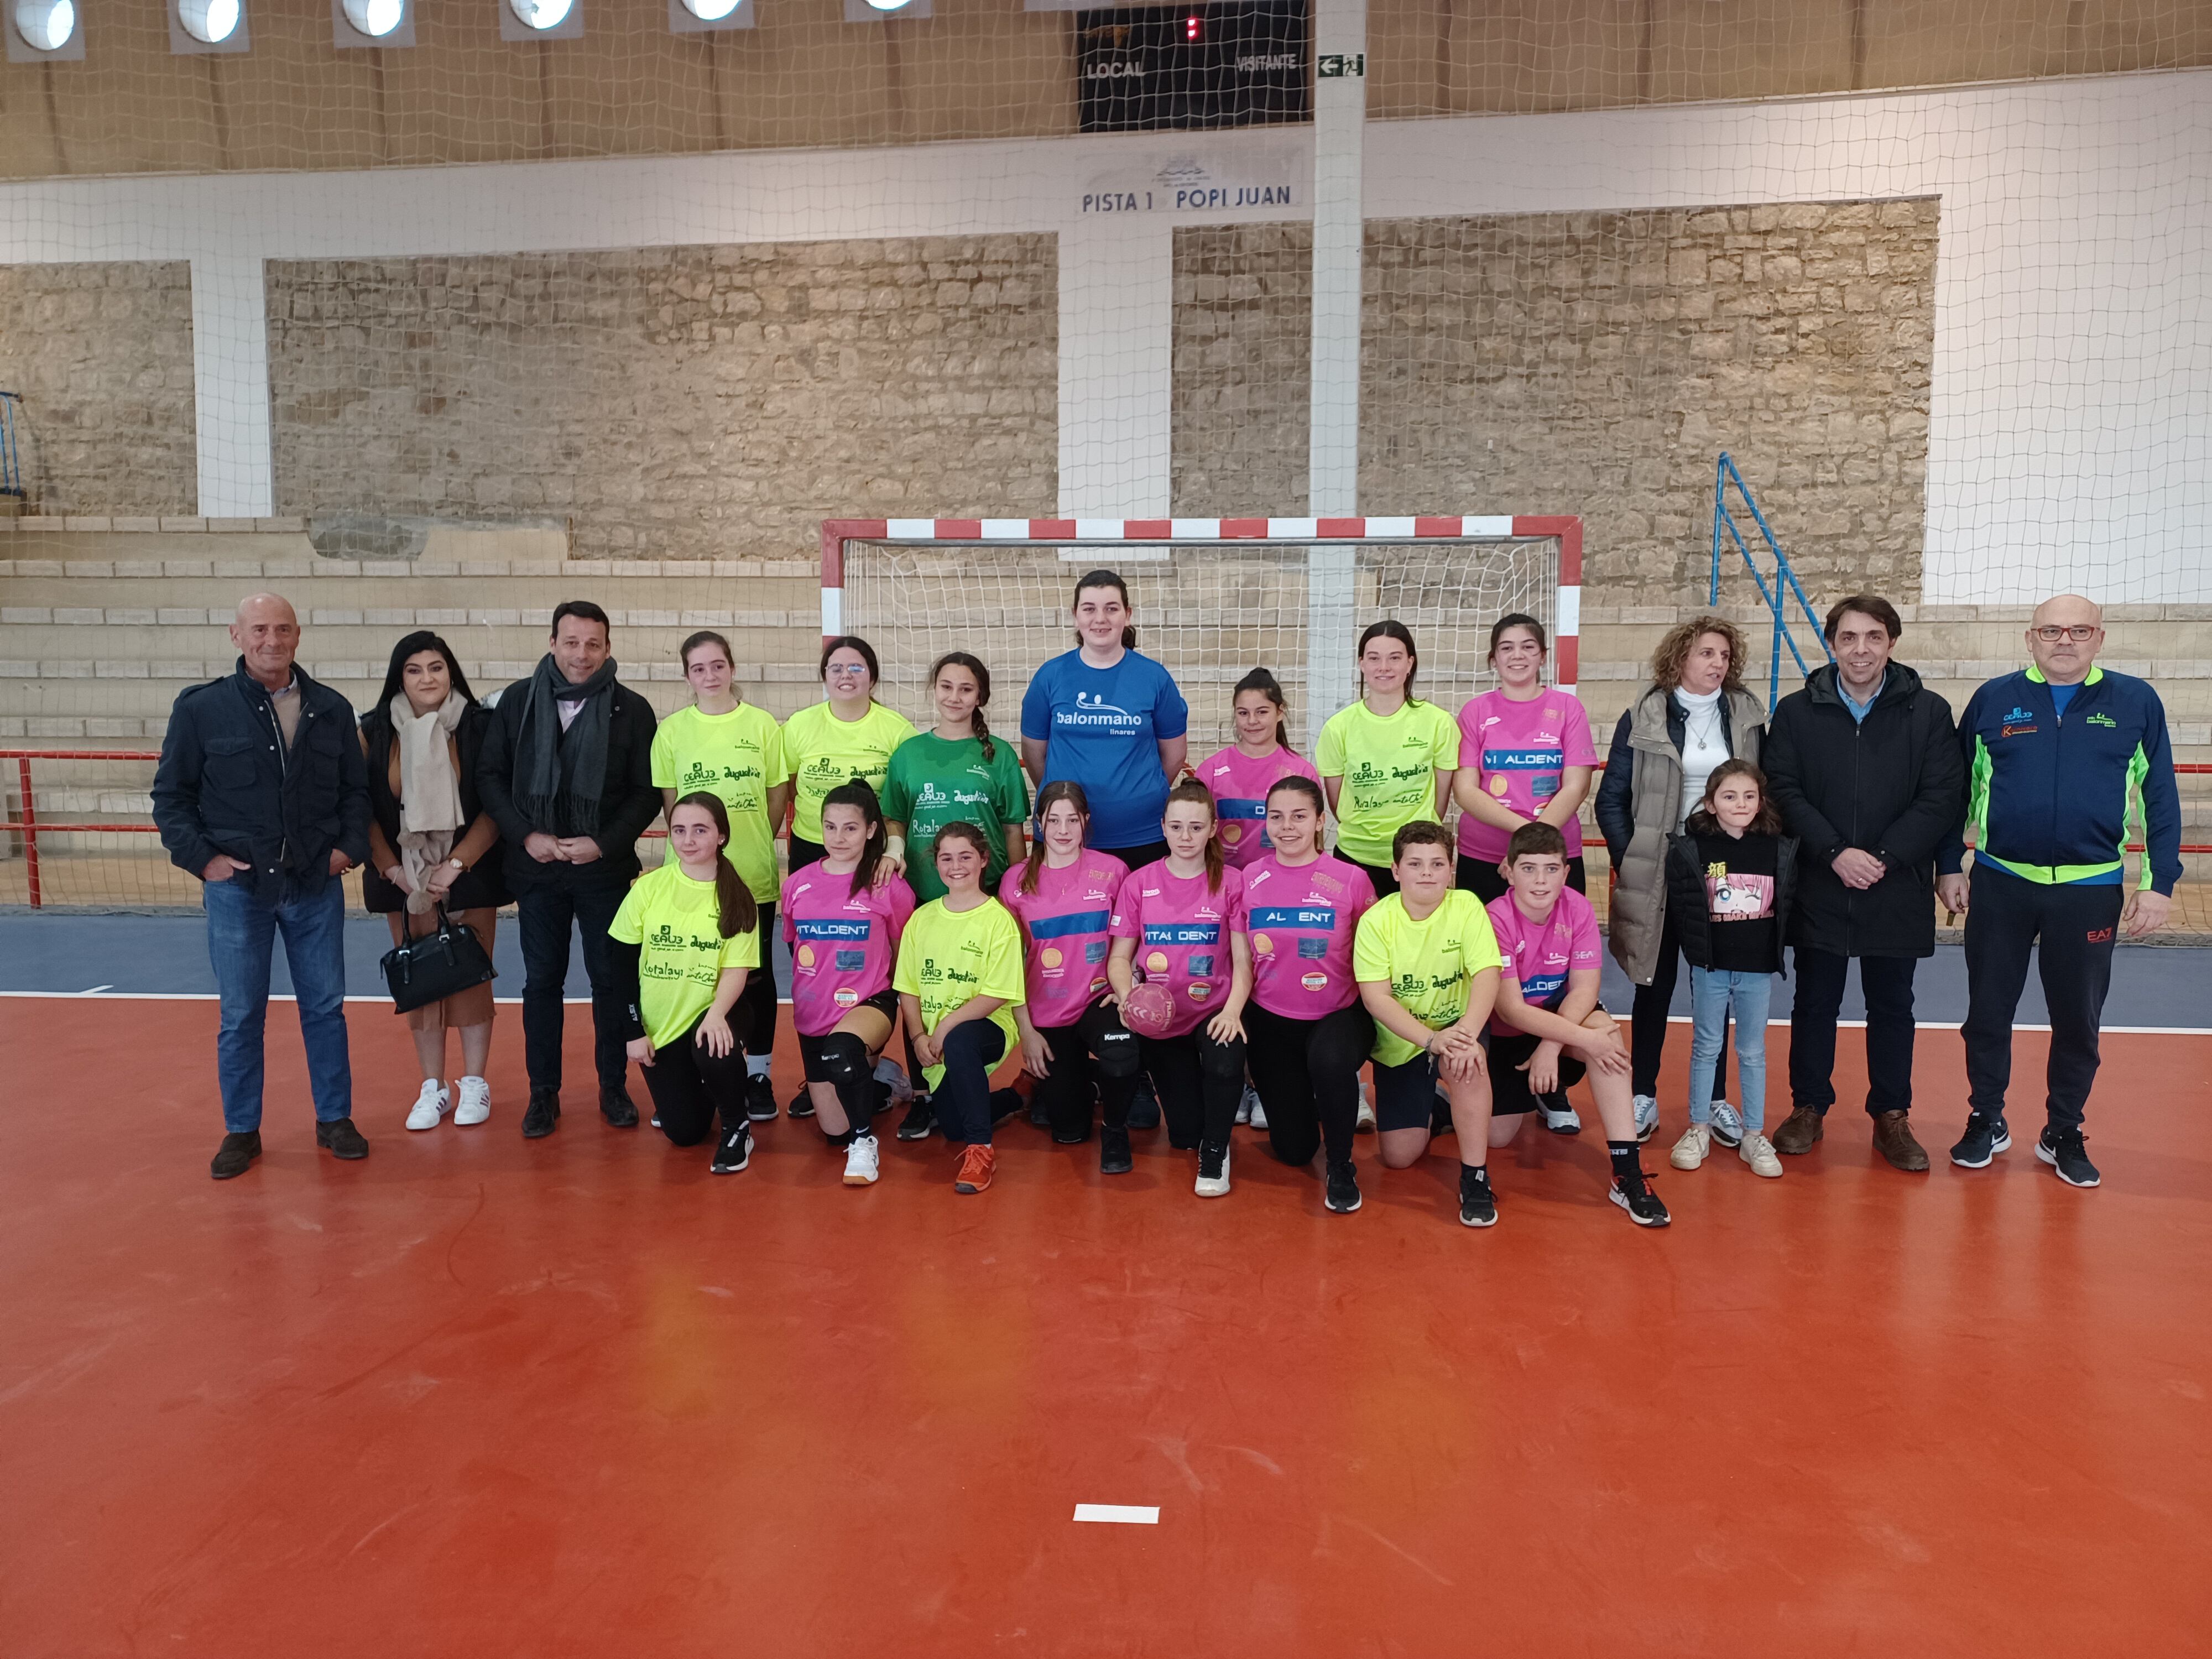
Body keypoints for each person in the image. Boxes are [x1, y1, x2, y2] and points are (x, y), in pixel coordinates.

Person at [1939, 594, 2181, 1189]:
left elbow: (2160, 798)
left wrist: (2159, 884)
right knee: (1987, 1014)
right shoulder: (1994, 699)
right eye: (2051, 630)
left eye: (2078, 630)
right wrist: (1949, 865)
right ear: (2030, 639)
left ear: (2098, 638)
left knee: (2077, 1020)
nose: (2064, 640)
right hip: (2001, 883)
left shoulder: (2134, 701)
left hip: (2089, 889)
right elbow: (1956, 790)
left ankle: (2063, 1129)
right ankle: (1985, 1118)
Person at [153, 593, 371, 1180]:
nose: (270, 640)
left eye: (281, 629)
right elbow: (171, 799)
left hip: (313, 886)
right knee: (241, 1013)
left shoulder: (331, 708)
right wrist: (206, 863)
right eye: (259, 629)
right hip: (238, 891)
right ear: (236, 635)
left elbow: (356, 793)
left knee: (325, 1008)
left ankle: (334, 1119)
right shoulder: (202, 710)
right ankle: (242, 1130)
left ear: (298, 635)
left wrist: (348, 851)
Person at [1761, 596, 1964, 1171]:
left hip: (1893, 882)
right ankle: (1808, 1107)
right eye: (1848, 638)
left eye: (1873, 637)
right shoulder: (1798, 712)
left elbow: (1942, 796)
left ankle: (1891, 1116)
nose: (1860, 650)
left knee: (1893, 1005)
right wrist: (1833, 853)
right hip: (1822, 881)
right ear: (1831, 644)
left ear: (1892, 643)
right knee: (1813, 1002)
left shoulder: (1927, 712)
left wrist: (1883, 856)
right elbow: (1783, 786)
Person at [477, 600, 663, 1140]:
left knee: (609, 982)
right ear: (553, 642)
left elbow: (645, 793)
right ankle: (543, 1095)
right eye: (572, 642)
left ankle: (612, 1087)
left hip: (601, 871)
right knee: (542, 984)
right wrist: (526, 835)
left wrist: (602, 844)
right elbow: (490, 778)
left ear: (608, 648)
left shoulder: (632, 709)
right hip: (535, 870)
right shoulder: (516, 702)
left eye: (593, 644)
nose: (582, 654)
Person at [1594, 614, 1765, 1146]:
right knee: (1654, 984)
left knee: (1719, 987)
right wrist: (1639, 856)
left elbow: (1765, 791)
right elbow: (1611, 799)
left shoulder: (1747, 714)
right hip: (1662, 869)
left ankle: (1713, 1101)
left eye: (1723, 655)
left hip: (1723, 870)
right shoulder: (1642, 715)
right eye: (1706, 654)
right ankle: (1642, 1093)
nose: (1717, 664)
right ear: (1679, 659)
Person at [1479, 822, 1671, 1227]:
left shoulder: (1578, 907)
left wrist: (1551, 1047)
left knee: (1607, 1039)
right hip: (1509, 1035)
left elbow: (1585, 990)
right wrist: (1557, 1041)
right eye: (1528, 869)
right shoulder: (1493, 918)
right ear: (1508, 872)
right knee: (1498, 1137)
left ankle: (1628, 1173)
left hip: (1558, 1023)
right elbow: (1512, 1009)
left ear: (1566, 873)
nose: (1541, 880)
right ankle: (1461, 1105)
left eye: (1551, 869)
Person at [359, 631, 509, 1131]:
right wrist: (393, 869)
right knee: (420, 982)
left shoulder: (480, 727)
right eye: (415, 670)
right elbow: (365, 812)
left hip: (467, 876)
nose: (428, 678)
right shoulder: (375, 731)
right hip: (405, 883)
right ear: (399, 677)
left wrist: (458, 864)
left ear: (451, 672)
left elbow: (495, 804)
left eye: (437, 668)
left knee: (469, 980)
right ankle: (433, 1087)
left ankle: (474, 1083)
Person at [652, 629, 793, 1126]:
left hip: (750, 874)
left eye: (717, 665)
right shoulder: (672, 731)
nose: (709, 676)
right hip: (690, 880)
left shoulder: (761, 726)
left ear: (732, 667)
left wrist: (752, 842)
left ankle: (757, 1074)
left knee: (755, 977)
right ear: (687, 676)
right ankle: (692, 1072)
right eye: (698, 669)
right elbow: (674, 807)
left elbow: (777, 796)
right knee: (694, 974)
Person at [1352, 822, 1504, 1224]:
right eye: (1415, 863)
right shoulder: (1375, 921)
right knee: (1400, 1157)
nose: (1427, 872)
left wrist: (1465, 1036)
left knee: (1466, 1061)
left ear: (1450, 869)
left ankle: (1475, 1178)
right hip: (1406, 1038)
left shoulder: (1467, 905)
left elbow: (1489, 974)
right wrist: (1430, 1040)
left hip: (1458, 1025)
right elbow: (1376, 998)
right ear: (1396, 870)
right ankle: (1439, 1106)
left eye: (1437, 864)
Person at [1107, 781, 1251, 1197]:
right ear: (1163, 829)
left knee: (1224, 1062)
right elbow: (1119, 959)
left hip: (1214, 1011)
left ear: (1212, 829)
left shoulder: (1233, 882)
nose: (1185, 837)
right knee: (1183, 1133)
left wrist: (1233, 1011)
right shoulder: (1139, 883)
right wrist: (1129, 995)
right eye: (1177, 827)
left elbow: (1243, 961)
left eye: (1195, 827)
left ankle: (1217, 1150)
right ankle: (1205, 1131)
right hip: (1163, 1020)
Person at [1239, 776, 1376, 1194]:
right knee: (1295, 1150)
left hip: (1338, 1015)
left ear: (1319, 820)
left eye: (1299, 816)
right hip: (1272, 1022)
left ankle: (1341, 1164)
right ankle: (1320, 1099)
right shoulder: (1248, 878)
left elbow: (1374, 955)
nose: (1287, 827)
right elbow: (1240, 954)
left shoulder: (1351, 880)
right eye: (1276, 817)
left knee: (1330, 1062)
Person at [611, 794, 760, 1175]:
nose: (688, 840)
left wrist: (716, 1014)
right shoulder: (648, 889)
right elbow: (620, 966)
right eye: (679, 830)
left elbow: (735, 972)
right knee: (685, 1133)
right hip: (662, 1024)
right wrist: (633, 1030)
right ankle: (702, 1085)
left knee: (713, 1046)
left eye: (700, 830)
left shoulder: (737, 897)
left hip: (715, 1010)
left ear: (721, 837)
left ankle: (737, 1128)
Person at [1663, 762, 1797, 1179]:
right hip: (1711, 968)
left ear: (1761, 803)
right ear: (1710, 803)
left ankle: (1755, 1134)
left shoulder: (1776, 848)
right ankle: (1698, 1127)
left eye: (1749, 796)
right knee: (1706, 1046)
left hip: (1757, 969)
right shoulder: (1695, 849)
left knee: (1753, 1050)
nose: (1740, 804)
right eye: (1729, 796)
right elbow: (1685, 906)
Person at [1000, 782, 1140, 1172]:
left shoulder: (1113, 872)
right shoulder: (1015, 881)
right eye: (1053, 820)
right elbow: (1009, 963)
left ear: (1086, 822)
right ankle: (1080, 1080)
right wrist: (1026, 1031)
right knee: (1069, 1131)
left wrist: (1131, 985)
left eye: (1072, 820)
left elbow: (1132, 939)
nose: (1063, 830)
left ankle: (1115, 1130)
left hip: (1100, 999)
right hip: (1047, 1010)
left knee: (1121, 1056)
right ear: (1039, 824)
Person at [781, 781, 915, 1187]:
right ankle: (881, 1081)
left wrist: (887, 1000)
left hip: (870, 1002)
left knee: (842, 1058)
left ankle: (863, 1144)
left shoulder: (887, 885)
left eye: (850, 828)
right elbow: (795, 947)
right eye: (830, 827)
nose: (839, 838)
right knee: (831, 1130)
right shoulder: (798, 883)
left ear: (872, 830)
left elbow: (901, 953)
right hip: (813, 1011)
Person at [1020, 568, 1190, 869]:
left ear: (1128, 614)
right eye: (1090, 609)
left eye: (1111, 609)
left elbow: (1174, 755)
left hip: (1143, 835)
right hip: (1065, 836)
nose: (1100, 619)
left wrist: (1136, 795)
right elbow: (1035, 757)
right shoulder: (1050, 677)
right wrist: (1064, 801)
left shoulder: (1155, 678)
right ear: (1076, 615)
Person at [894, 821, 1029, 1195]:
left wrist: (941, 1031)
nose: (957, 866)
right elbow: (907, 989)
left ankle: (981, 1151)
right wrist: (918, 1036)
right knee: (952, 1125)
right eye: (947, 858)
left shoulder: (998, 920)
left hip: (990, 1026)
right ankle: (1022, 1095)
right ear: (936, 864)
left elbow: (997, 995)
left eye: (966, 856)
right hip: (939, 1035)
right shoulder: (921, 919)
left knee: (960, 1042)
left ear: (983, 860)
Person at [1452, 614, 1597, 903]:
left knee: (1555, 946)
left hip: (1554, 854)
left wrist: (1531, 846)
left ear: (1543, 657)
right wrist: (1527, 838)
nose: (1517, 655)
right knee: (1486, 947)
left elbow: (1576, 787)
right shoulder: (1474, 711)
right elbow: (1465, 791)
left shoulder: (1569, 708)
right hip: (1484, 855)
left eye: (1528, 647)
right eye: (1506, 648)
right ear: (1493, 659)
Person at [1317, 620, 1459, 899]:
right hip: (1357, 857)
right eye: (1374, 658)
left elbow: (1440, 804)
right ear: (1361, 664)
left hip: (1418, 859)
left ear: (1410, 663)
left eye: (1395, 658)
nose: (1384, 667)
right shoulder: (1338, 728)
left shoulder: (1439, 723)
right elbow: (1337, 804)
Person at [883, 651, 1030, 904]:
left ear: (979, 696)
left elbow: (1012, 830)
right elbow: (895, 818)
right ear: (935, 689)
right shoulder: (908, 753)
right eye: (946, 687)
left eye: (966, 689)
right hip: (921, 889)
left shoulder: (1001, 754)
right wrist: (895, 852)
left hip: (986, 890)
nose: (954, 697)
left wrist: (1015, 891)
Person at [780, 635, 916, 872]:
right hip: (810, 845)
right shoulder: (799, 725)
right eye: (836, 668)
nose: (846, 675)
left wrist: (893, 846)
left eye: (856, 668)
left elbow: (904, 800)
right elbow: (789, 786)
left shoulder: (898, 730)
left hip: (872, 848)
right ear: (825, 677)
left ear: (872, 678)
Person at [1197, 667, 1321, 872]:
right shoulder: (1211, 770)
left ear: (1280, 712)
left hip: (1282, 882)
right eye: (1243, 713)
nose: (1252, 721)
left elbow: (1315, 842)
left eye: (1262, 712)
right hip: (1223, 881)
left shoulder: (1301, 771)